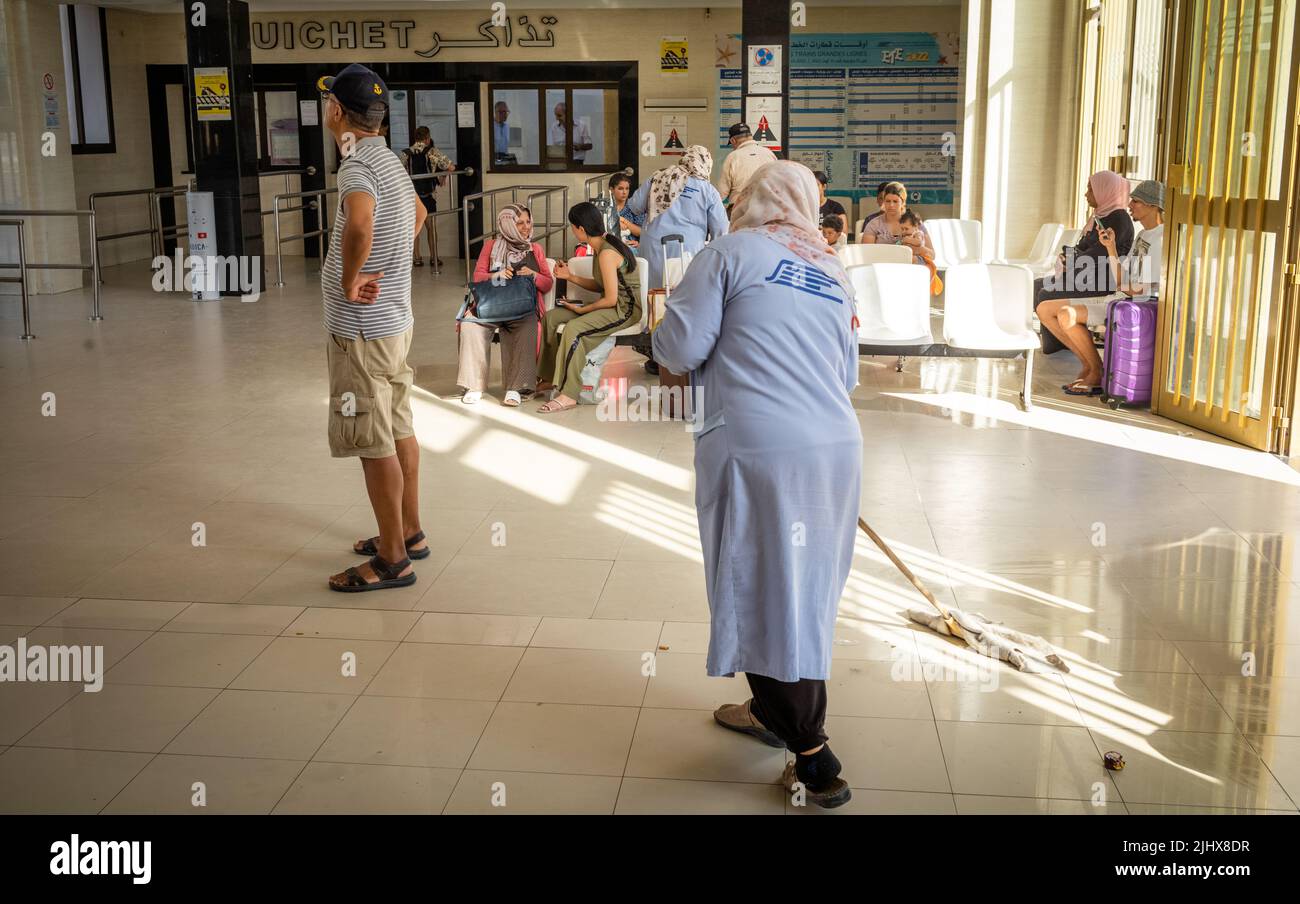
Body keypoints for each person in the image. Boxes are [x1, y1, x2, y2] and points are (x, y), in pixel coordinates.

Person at [651, 160, 861, 809]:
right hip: (834, 449)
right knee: (805, 588)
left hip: (758, 452)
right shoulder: (833, 270)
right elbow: (847, 373)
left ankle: (813, 756)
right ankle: (771, 711)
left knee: (762, 588)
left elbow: (678, 347)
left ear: (747, 199)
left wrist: (671, 332)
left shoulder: (728, 254)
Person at [317, 64, 427, 592]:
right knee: (399, 423)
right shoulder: (391, 161)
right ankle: (409, 531)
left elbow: (359, 221)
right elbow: (421, 214)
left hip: (360, 331)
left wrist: (351, 276)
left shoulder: (356, 166)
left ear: (337, 111)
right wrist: (394, 259)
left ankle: (391, 560)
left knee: (371, 436)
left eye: (327, 104)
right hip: (394, 325)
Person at [1038, 179, 1163, 396]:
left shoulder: (1162, 238)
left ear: (1153, 206)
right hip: (1120, 296)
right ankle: (1088, 365)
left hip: (1134, 305)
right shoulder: (1143, 235)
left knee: (1067, 315)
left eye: (1136, 201)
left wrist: (1122, 284)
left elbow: (1141, 290)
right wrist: (1111, 248)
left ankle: (1096, 371)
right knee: (1044, 309)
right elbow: (1122, 277)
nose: (1130, 204)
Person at [536, 202, 641, 413]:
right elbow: (602, 285)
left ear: (581, 229)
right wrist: (570, 276)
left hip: (625, 309)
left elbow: (611, 299)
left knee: (573, 329)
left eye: (573, 227)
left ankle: (569, 393)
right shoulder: (600, 246)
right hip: (611, 303)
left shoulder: (606, 253)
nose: (573, 231)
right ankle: (549, 377)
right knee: (551, 317)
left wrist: (583, 311)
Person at [1033, 171, 1135, 373]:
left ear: (1104, 191)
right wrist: (1068, 256)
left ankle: (1066, 346)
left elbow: (1097, 255)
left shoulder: (1119, 220)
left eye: (1091, 189)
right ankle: (1060, 343)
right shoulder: (1101, 216)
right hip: (1086, 276)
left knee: (1046, 293)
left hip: (1101, 282)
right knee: (1038, 284)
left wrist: (1071, 259)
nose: (1086, 194)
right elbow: (1083, 247)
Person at [458, 204, 553, 407]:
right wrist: (497, 275)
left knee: (528, 327)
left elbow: (547, 283)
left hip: (523, 308)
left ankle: (516, 388)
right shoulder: (491, 246)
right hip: (491, 306)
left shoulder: (535, 249)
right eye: (520, 223)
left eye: (528, 222)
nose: (526, 227)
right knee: (470, 325)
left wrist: (533, 274)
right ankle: (474, 386)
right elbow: (477, 276)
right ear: (507, 224)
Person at [627, 144, 728, 291]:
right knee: (685, 296)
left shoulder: (658, 177)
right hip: (689, 250)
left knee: (653, 297)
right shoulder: (708, 190)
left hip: (653, 249)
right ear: (705, 163)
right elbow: (721, 230)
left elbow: (635, 206)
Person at [400, 126, 455, 268]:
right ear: (427, 138)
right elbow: (451, 167)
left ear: (415, 138)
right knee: (431, 227)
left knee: (414, 228)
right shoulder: (432, 152)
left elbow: (398, 173)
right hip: (428, 196)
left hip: (411, 197)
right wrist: (441, 176)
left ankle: (417, 258)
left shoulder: (405, 153)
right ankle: (434, 258)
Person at [860, 181, 935, 262]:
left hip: (912, 267)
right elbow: (866, 254)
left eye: (895, 201)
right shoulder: (873, 224)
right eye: (888, 201)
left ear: (903, 202)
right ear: (883, 202)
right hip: (883, 265)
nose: (891, 205)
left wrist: (915, 249)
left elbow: (932, 255)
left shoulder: (915, 222)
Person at [716, 122, 777, 205]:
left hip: (740, 209)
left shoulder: (733, 157)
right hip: (766, 206)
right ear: (751, 137)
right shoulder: (769, 154)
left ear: (733, 140)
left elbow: (721, 193)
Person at [610, 172, 644, 244]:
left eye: (627, 188)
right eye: (620, 188)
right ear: (612, 189)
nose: (624, 192)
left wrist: (624, 221)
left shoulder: (634, 206)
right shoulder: (606, 207)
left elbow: (642, 232)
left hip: (631, 246)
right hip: (611, 245)